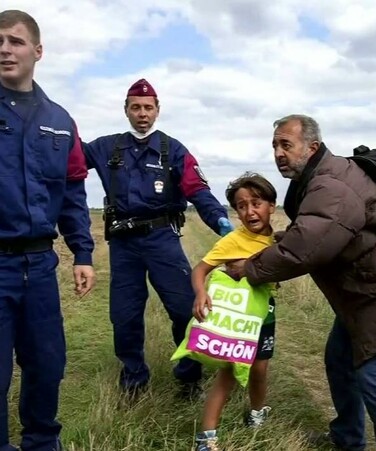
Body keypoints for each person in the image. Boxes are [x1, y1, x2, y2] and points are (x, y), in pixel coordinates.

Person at [237, 114, 376, 451]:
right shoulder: (320, 178)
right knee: (339, 361)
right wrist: (277, 244)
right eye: (275, 145)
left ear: (313, 146)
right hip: (366, 292)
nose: (278, 153)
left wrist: (250, 268)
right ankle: (348, 438)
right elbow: (320, 232)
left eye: (286, 144)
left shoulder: (330, 185)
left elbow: (305, 249)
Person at [82, 79, 234, 396]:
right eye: (135, 107)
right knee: (124, 317)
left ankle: (189, 377)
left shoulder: (173, 150)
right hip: (123, 244)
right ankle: (134, 379)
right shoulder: (105, 147)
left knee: (184, 310)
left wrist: (220, 220)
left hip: (162, 239)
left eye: (148, 108)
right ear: (126, 110)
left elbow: (197, 189)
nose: (142, 113)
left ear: (158, 110)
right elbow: (68, 162)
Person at [0, 9, 96, 451]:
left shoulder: (60, 121)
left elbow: (74, 191)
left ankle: (41, 443)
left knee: (46, 365)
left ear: (37, 51)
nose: (5, 49)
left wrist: (82, 253)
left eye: (15, 41)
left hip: (39, 265)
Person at [191, 172, 277, 451]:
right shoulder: (232, 241)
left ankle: (257, 413)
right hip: (237, 316)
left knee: (260, 369)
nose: (250, 211)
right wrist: (201, 293)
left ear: (272, 206)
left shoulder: (280, 241)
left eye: (257, 203)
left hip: (265, 315)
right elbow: (200, 269)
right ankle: (206, 437)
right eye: (242, 206)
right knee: (228, 371)